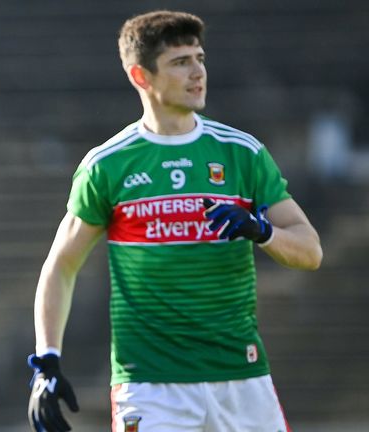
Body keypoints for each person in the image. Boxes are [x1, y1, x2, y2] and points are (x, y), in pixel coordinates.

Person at [28, 10, 322, 432]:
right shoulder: (107, 164)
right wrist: (47, 360)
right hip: (149, 386)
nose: (197, 72)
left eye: (199, 58)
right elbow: (61, 266)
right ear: (140, 76)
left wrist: (263, 231)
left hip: (242, 377)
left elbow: (310, 250)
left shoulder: (242, 153)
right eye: (180, 62)